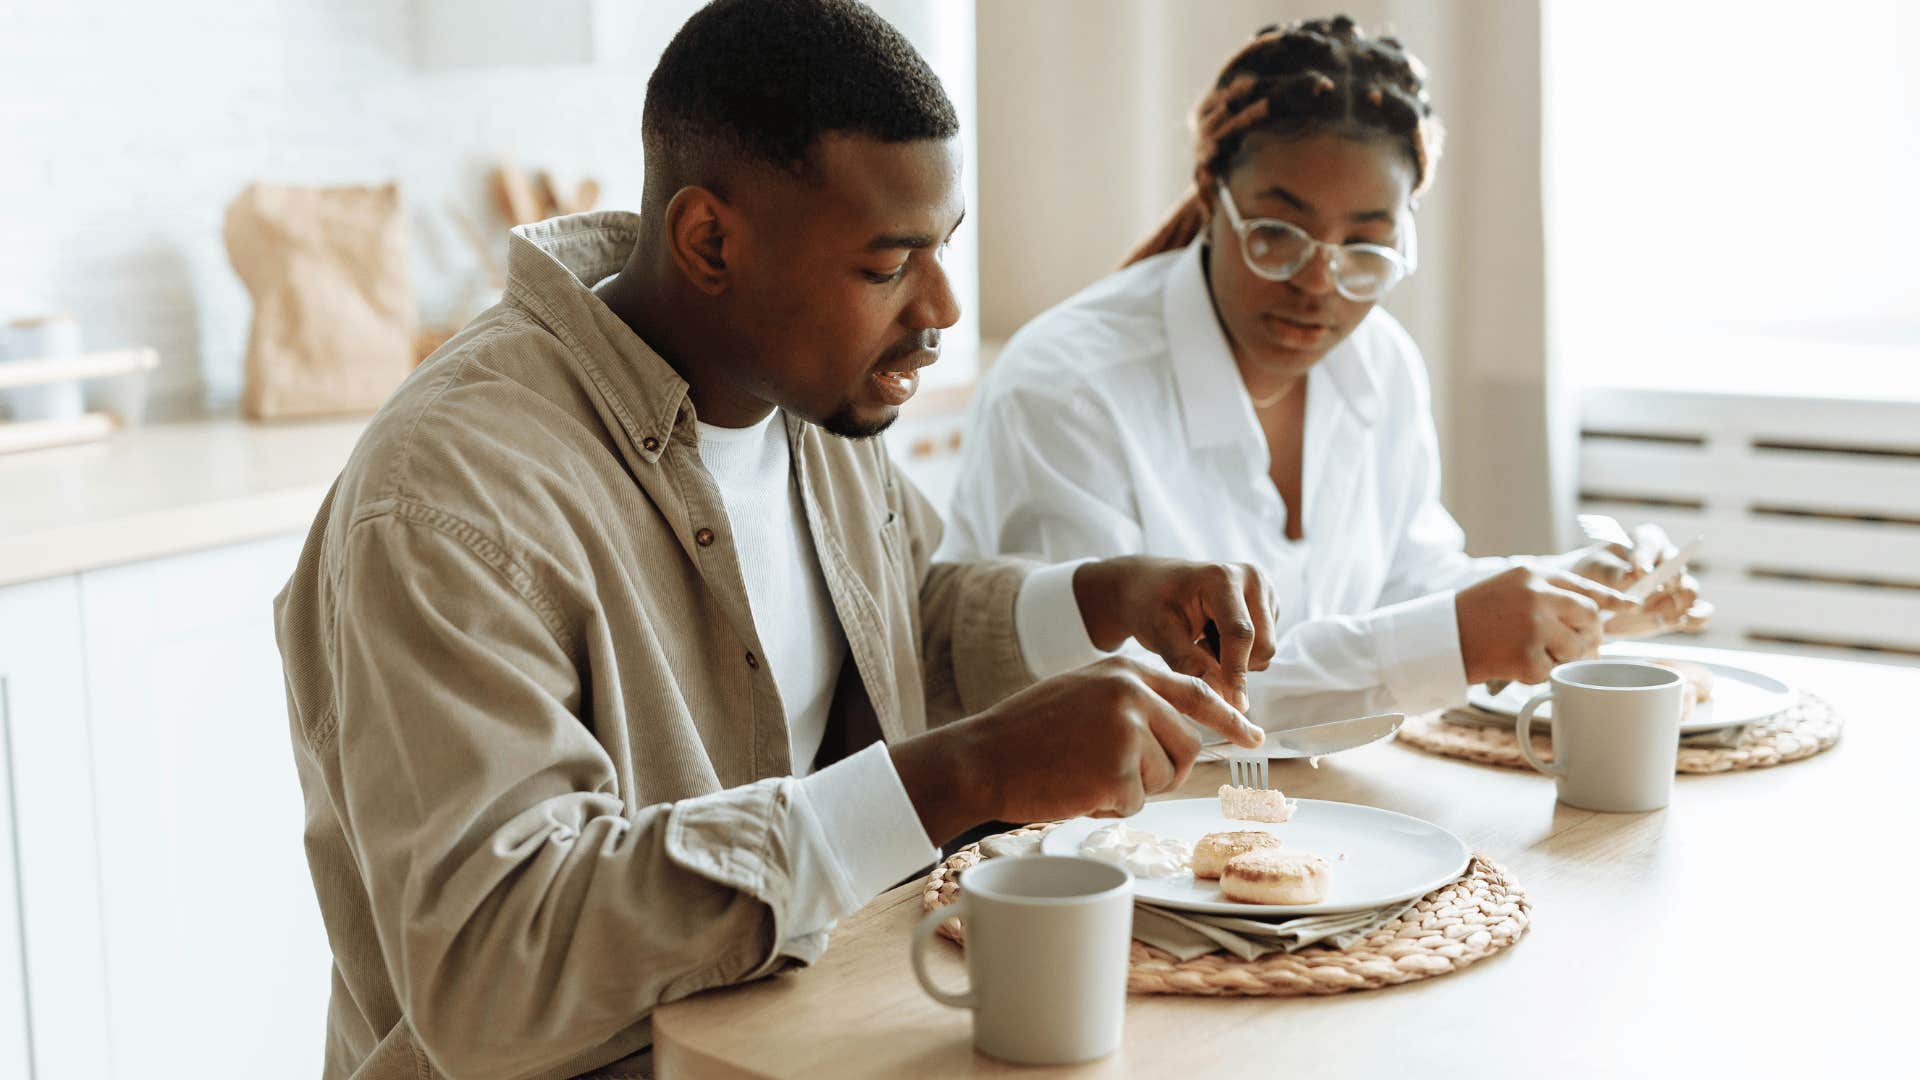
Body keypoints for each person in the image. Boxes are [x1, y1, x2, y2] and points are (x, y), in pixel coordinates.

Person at [272, 2, 1278, 1077]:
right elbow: (496, 966)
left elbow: (892, 631)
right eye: (888, 264)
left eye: (944, 246)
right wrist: (964, 774)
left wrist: (1104, 598)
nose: (940, 303)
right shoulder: (452, 499)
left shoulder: (808, 391)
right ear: (711, 240)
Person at [942, 16, 1705, 731]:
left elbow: (1407, 581)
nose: (1318, 282)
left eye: (1365, 247)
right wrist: (1450, 642)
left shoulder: (1380, 363)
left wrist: (1563, 590)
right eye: (1278, 234)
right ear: (1213, 198)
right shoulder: (1068, 387)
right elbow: (1121, 704)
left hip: (1314, 799)